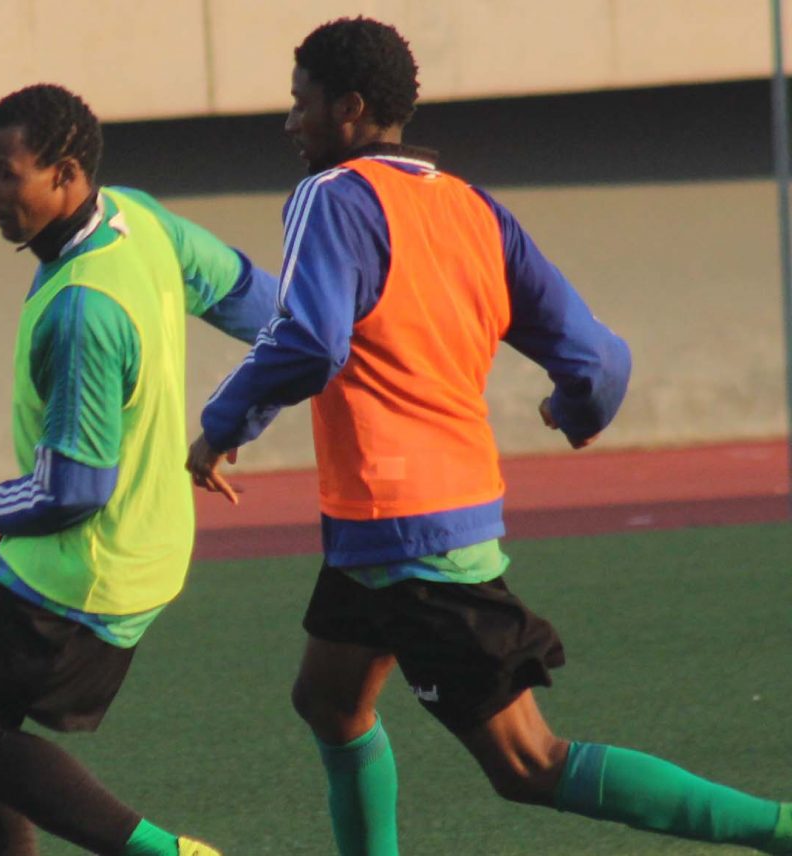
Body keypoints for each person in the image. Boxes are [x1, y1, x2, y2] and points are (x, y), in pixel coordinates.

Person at [187, 16, 792, 856]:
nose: (290, 123)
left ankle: (780, 829)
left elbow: (310, 342)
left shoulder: (331, 197)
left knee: (528, 765)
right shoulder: (473, 208)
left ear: (351, 109)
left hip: (409, 536)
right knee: (329, 701)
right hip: (394, 525)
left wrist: (219, 428)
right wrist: (574, 410)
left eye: (301, 104)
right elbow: (597, 357)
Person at [0, 83, 276, 856]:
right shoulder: (137, 217)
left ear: (66, 173)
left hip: (83, 570)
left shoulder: (83, 309)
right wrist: (227, 425)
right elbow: (272, 312)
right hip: (127, 549)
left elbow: (74, 490)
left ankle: (163, 853)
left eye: (5, 174)